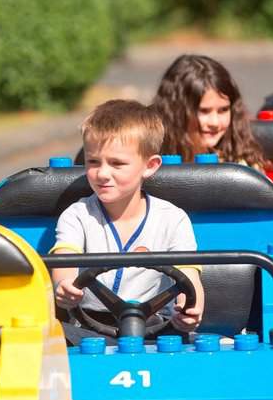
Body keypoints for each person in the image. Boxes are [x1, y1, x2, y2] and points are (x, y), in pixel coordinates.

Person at [51, 100, 205, 343]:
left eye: (117, 164)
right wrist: (64, 286)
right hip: (89, 329)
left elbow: (189, 274)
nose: (102, 174)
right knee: (46, 341)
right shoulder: (77, 215)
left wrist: (189, 309)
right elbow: (64, 258)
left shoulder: (173, 219)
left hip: (156, 329)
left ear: (150, 166)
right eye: (93, 162)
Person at [152, 54, 267, 170]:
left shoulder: (243, 163)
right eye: (204, 111)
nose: (215, 123)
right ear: (176, 112)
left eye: (223, 110)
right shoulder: (150, 160)